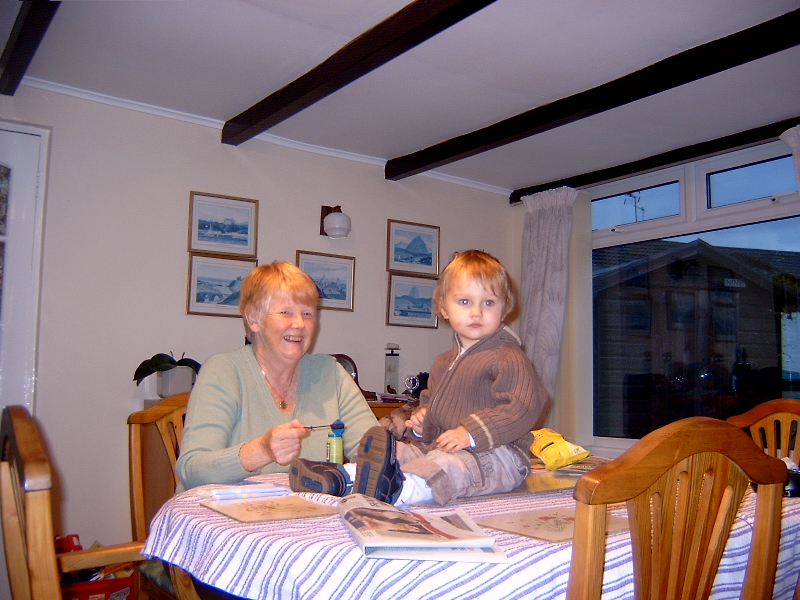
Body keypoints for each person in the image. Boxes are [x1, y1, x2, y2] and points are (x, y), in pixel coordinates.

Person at [293, 250, 549, 505]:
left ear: (505, 309)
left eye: (488, 303)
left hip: (501, 455)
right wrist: (423, 424)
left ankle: (398, 490)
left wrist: (471, 433)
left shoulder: (506, 355)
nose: (476, 312)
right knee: (401, 452)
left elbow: (524, 406)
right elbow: (434, 418)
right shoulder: (443, 363)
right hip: (447, 448)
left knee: (447, 467)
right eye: (464, 301)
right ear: (444, 308)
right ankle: (345, 477)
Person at [176, 261, 378, 492]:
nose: (300, 324)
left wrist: (401, 449)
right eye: (286, 312)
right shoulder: (223, 371)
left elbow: (371, 449)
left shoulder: (330, 373)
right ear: (254, 319)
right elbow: (192, 470)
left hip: (304, 511)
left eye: (308, 314)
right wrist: (261, 451)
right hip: (220, 511)